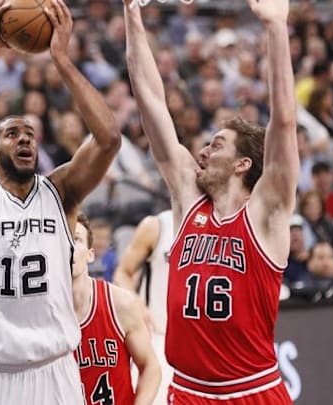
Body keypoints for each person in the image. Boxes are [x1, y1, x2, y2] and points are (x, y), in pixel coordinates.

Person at [0, 1, 120, 404]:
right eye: (12, 133)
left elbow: (108, 139)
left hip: (54, 372)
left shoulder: (61, 192)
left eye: (30, 134)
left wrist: (62, 61)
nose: (25, 139)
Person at [124, 0, 296, 402]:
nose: (202, 153)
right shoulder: (189, 202)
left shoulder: (266, 213)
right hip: (187, 390)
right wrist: (131, 12)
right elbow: (150, 99)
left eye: (215, 146)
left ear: (243, 164)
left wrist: (275, 28)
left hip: (252, 390)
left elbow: (284, 123)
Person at [73, 214, 160, 404]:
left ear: (90, 254)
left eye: (76, 239)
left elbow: (151, 368)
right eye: (62, 238)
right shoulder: (39, 312)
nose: (68, 246)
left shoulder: (120, 303)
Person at [113, 210, 173, 405]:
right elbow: (123, 272)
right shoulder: (157, 225)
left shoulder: (226, 222)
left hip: (205, 345)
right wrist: (136, 303)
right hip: (160, 336)